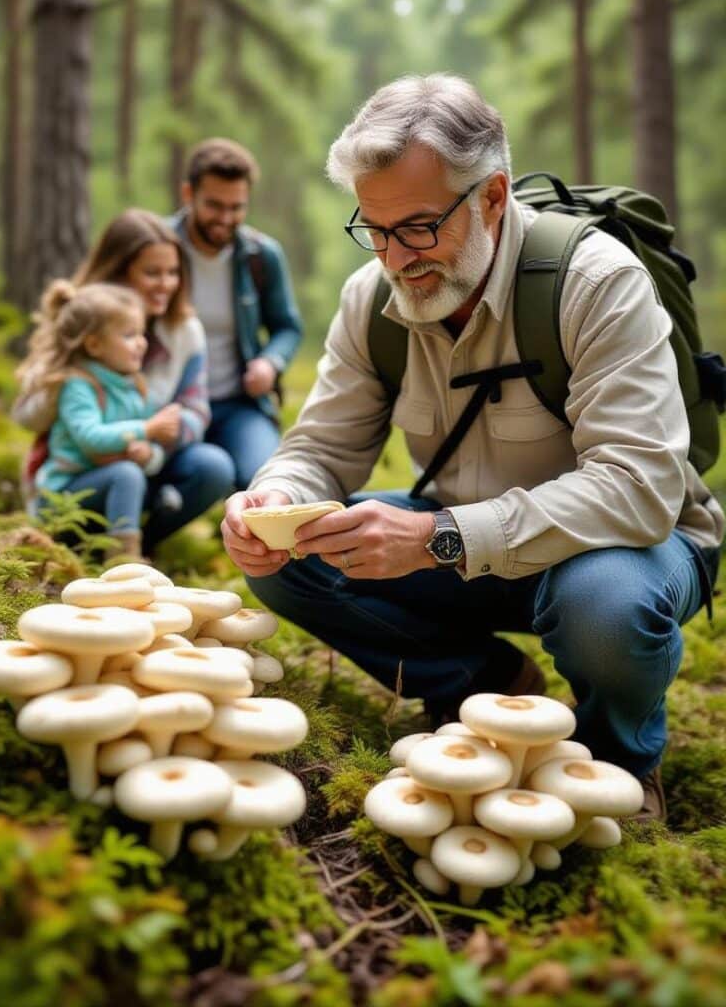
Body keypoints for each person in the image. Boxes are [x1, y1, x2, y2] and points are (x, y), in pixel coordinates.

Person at [222, 73, 724, 823]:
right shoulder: (372, 299)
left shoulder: (597, 282)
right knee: (296, 563)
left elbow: (638, 488)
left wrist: (440, 536)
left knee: (603, 603)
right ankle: (485, 686)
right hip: (459, 547)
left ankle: (616, 763)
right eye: (375, 228)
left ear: (492, 196)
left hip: (623, 549)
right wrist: (278, 501)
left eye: (420, 227)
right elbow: (320, 447)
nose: (396, 257)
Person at [14, 209, 233, 553]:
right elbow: (27, 415)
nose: (166, 284)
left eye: (173, 272)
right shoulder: (83, 320)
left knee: (214, 466)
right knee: (122, 476)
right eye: (152, 273)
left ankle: (139, 548)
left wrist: (154, 446)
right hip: (78, 472)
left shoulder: (185, 331)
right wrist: (66, 377)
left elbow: (195, 411)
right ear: (120, 271)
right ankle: (86, 544)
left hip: (141, 459)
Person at [166, 137, 303, 487]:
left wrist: (270, 362)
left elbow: (287, 326)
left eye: (237, 207)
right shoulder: (155, 247)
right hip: (166, 404)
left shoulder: (262, 256)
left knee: (268, 480)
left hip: (238, 405)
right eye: (214, 205)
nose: (226, 219)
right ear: (188, 194)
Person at [19, 280, 178, 557]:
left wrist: (147, 455)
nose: (141, 343)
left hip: (101, 492)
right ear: (94, 345)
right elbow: (90, 439)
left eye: (141, 333)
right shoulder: (78, 385)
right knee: (126, 474)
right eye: (129, 335)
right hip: (61, 498)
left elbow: (152, 451)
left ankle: (123, 551)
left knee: (133, 472)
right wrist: (147, 429)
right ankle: (123, 560)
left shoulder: (134, 386)